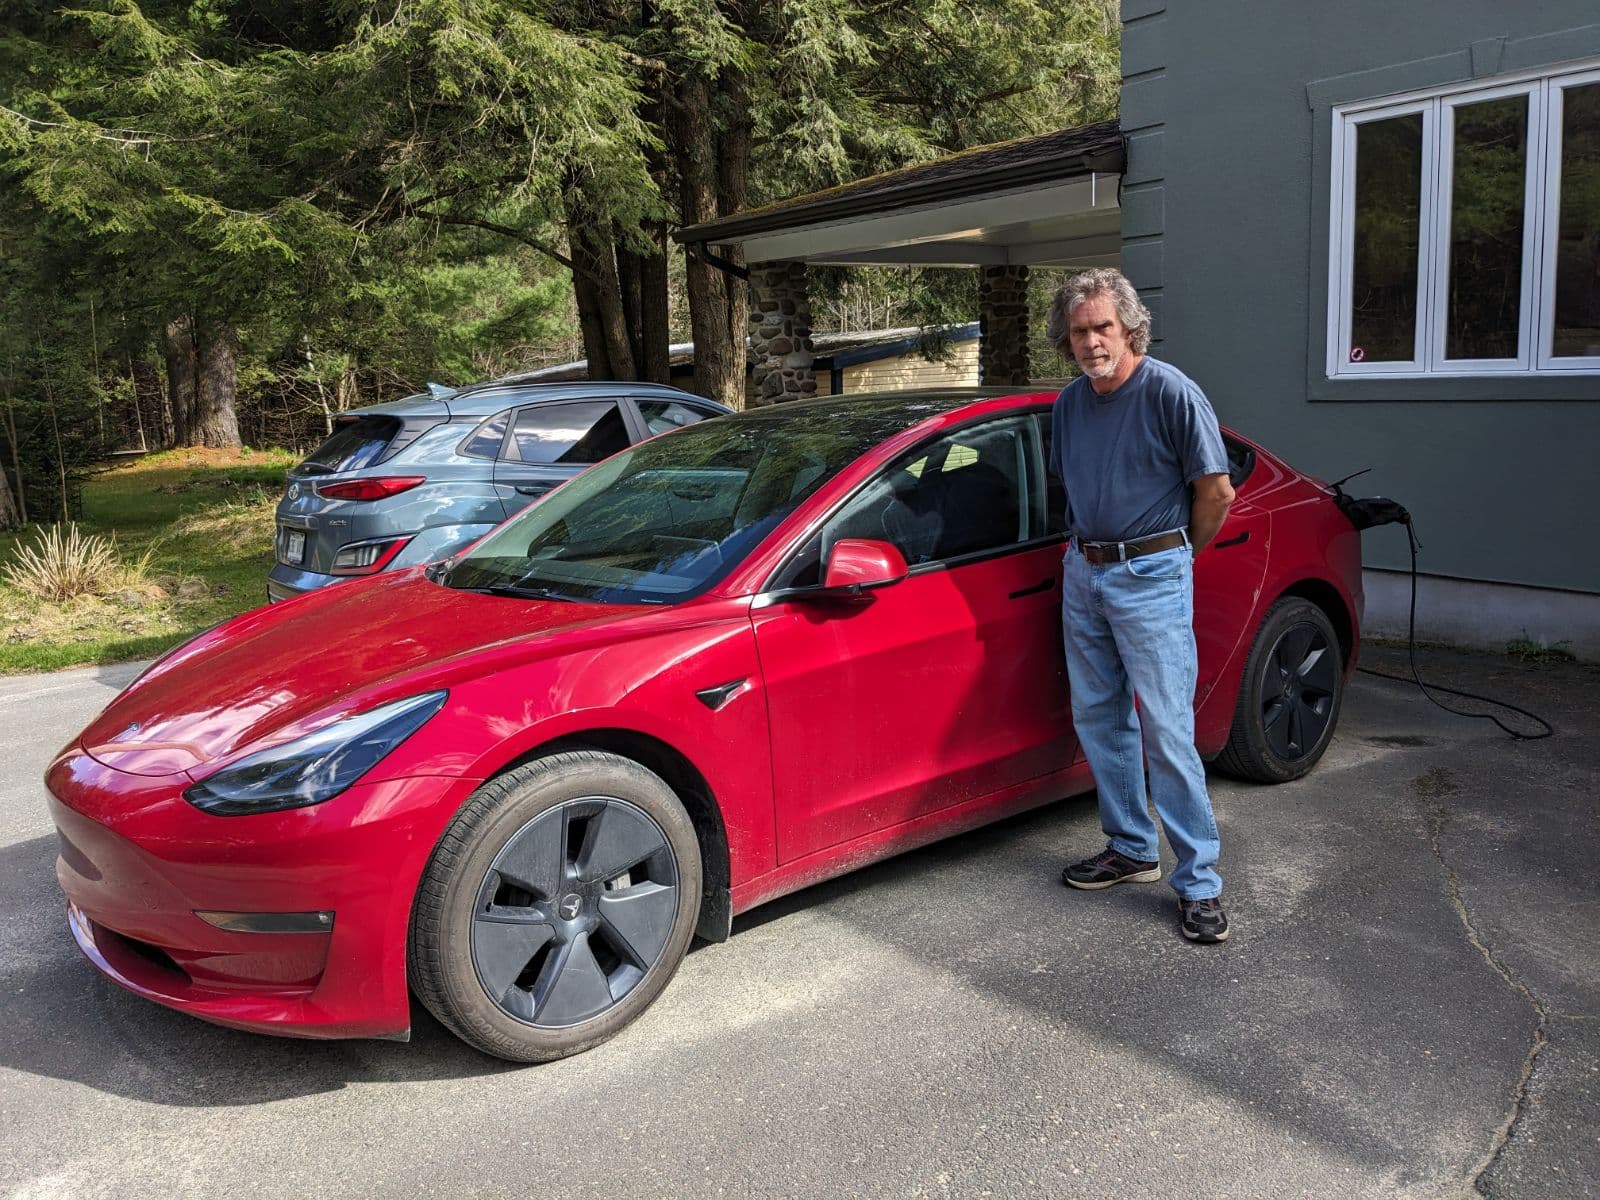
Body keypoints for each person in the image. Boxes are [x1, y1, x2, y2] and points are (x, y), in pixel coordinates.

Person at [1044, 268, 1236, 944]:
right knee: (1099, 717)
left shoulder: (1169, 391)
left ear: (1129, 329)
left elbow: (1216, 492)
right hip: (1084, 571)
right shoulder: (1069, 404)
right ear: (1066, 341)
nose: (1093, 340)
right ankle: (1130, 848)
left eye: (1103, 327)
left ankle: (1200, 883)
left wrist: (1174, 559)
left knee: (1166, 729)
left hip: (1151, 572)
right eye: (1080, 331)